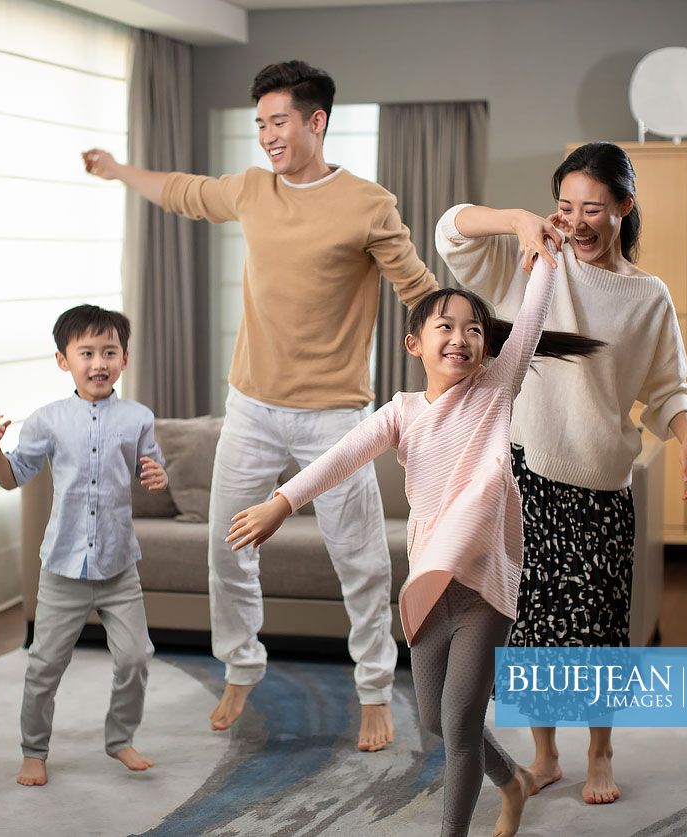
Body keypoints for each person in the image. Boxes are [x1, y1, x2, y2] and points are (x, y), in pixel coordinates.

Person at [82, 60, 438, 750]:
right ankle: (241, 665)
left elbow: (418, 292)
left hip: (334, 417)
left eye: (279, 122)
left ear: (315, 121)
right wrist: (120, 170)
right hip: (249, 408)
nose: (268, 136)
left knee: (359, 560)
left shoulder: (368, 203)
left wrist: (460, 358)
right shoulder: (250, 189)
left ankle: (373, 688)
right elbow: (181, 191)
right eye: (260, 125)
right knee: (228, 544)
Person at [226, 254, 602, 836]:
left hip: (483, 585)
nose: (462, 338)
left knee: (458, 721)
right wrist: (282, 501)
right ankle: (515, 784)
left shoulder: (495, 391)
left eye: (475, 329)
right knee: (435, 719)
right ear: (414, 344)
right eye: (445, 327)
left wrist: (544, 254)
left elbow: (529, 318)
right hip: (429, 582)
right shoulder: (402, 412)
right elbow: (342, 456)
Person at [436, 141, 687, 805]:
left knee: (593, 624)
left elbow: (668, 384)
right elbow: (450, 226)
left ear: (624, 207)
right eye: (565, 206)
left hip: (596, 481)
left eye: (593, 208)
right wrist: (519, 221)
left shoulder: (647, 297)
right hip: (519, 473)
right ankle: (545, 753)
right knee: (525, 620)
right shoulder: (527, 260)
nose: (577, 220)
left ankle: (599, 752)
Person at [0, 304, 169, 787]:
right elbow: (13, 479)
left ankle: (120, 739)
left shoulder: (139, 418)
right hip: (63, 568)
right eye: (86, 352)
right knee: (45, 665)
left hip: (119, 567)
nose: (99, 362)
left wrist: (157, 475)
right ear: (64, 360)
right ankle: (33, 750)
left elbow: (152, 470)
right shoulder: (46, 421)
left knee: (134, 657)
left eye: (109, 352)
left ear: (125, 359)